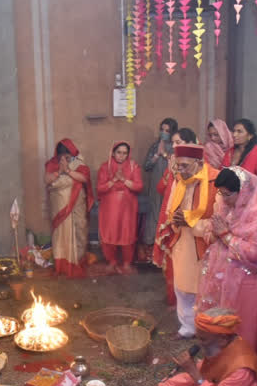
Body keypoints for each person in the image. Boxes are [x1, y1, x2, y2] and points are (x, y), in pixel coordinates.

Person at [197, 167, 257, 352]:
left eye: (228, 194)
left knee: (243, 327)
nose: (223, 199)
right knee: (220, 323)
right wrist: (216, 234)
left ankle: (241, 370)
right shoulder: (225, 207)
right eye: (220, 193)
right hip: (222, 277)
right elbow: (210, 232)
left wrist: (226, 236)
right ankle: (219, 361)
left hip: (247, 282)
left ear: (244, 191)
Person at [156, 144, 218, 338]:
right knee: (182, 287)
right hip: (182, 240)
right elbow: (170, 209)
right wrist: (174, 220)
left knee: (206, 289)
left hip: (206, 243)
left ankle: (207, 328)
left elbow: (220, 220)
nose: (180, 171)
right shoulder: (179, 180)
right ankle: (187, 327)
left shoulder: (215, 181)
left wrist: (192, 222)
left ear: (199, 163)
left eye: (184, 166)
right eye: (177, 166)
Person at [153, 127, 198, 306]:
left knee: (187, 258)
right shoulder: (174, 160)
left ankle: (188, 301)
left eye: (178, 142)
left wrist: (178, 174)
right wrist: (170, 174)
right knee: (172, 254)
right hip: (169, 211)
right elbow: (160, 188)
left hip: (188, 214)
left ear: (191, 143)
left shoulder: (198, 163)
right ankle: (174, 297)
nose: (174, 145)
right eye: (173, 142)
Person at [45, 139, 94, 277]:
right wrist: (58, 171)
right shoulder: (53, 163)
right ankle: (62, 265)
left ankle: (77, 263)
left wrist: (67, 170)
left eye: (68, 156)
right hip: (60, 206)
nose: (65, 158)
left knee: (79, 231)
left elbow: (84, 178)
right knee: (61, 234)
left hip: (77, 204)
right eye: (62, 156)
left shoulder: (79, 162)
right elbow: (47, 180)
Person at [97, 142, 144, 273]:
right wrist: (113, 181)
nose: (121, 156)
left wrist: (123, 180)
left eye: (124, 153)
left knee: (127, 234)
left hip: (127, 208)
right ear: (113, 152)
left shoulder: (134, 167)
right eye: (119, 152)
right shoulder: (105, 167)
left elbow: (139, 187)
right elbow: (100, 188)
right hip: (109, 207)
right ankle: (112, 261)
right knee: (109, 233)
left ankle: (127, 263)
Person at [143, 118, 179, 251]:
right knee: (154, 212)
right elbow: (146, 166)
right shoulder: (154, 146)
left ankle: (165, 245)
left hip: (171, 186)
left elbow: (177, 163)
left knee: (167, 212)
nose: (164, 133)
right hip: (155, 186)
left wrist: (164, 153)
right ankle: (151, 244)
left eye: (167, 131)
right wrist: (156, 155)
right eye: (162, 130)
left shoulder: (176, 147)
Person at [231, 119, 257, 192]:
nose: (234, 135)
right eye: (234, 131)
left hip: (250, 199)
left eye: (239, 131)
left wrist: (247, 190)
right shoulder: (230, 152)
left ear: (250, 136)